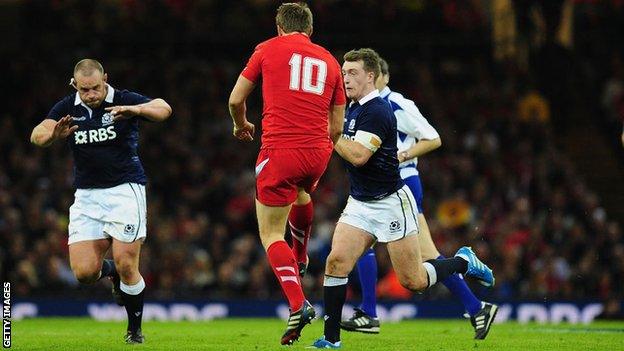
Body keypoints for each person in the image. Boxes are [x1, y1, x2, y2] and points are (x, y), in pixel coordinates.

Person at [311, 49, 494, 349]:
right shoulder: (354, 108)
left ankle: (462, 261)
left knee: (415, 281)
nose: (345, 78)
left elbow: (358, 156)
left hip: (391, 202)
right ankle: (332, 340)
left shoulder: (382, 111)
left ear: (371, 76)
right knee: (337, 262)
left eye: (352, 73)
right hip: (360, 203)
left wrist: (331, 135)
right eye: (344, 73)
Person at [227, 2, 346, 345]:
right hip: (318, 152)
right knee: (303, 194)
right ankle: (302, 254)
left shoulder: (267, 48)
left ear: (280, 27)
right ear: (310, 30)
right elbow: (336, 127)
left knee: (270, 234)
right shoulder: (329, 60)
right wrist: (320, 148)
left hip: (280, 150)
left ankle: (298, 304)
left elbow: (236, 100)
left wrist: (241, 125)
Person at [30, 59, 172, 344]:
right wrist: (52, 136)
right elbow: (37, 135)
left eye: (96, 87)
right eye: (85, 90)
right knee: (84, 273)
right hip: (87, 196)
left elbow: (164, 108)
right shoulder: (67, 107)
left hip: (124, 191)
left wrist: (137, 110)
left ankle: (134, 331)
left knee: (127, 262)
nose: (91, 94)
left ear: (105, 79)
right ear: (75, 85)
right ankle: (112, 275)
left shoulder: (123, 99)